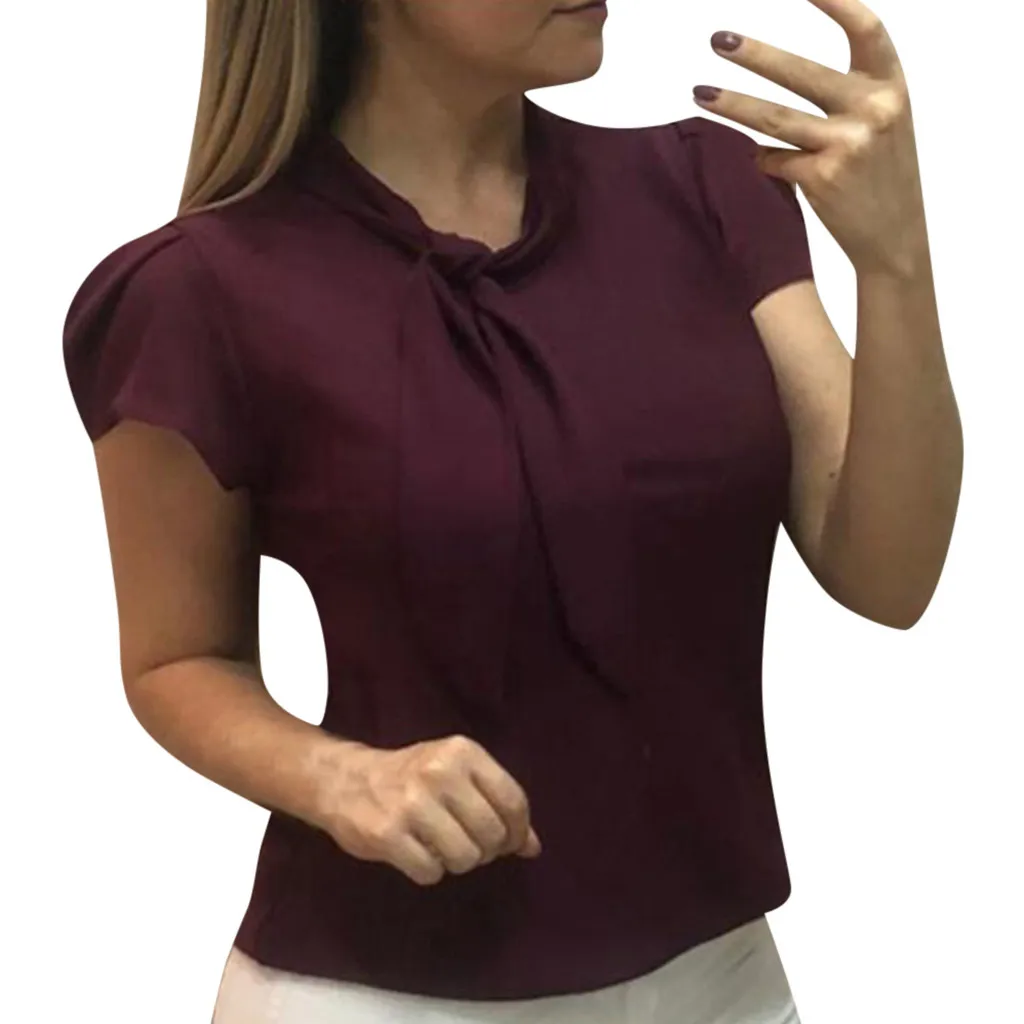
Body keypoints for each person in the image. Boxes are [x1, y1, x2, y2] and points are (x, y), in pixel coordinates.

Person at [63, 1, 846, 1021]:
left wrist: (896, 261)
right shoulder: (197, 291)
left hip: (725, 977)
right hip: (380, 993)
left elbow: (889, 573)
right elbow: (176, 656)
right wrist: (335, 776)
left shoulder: (706, 189)